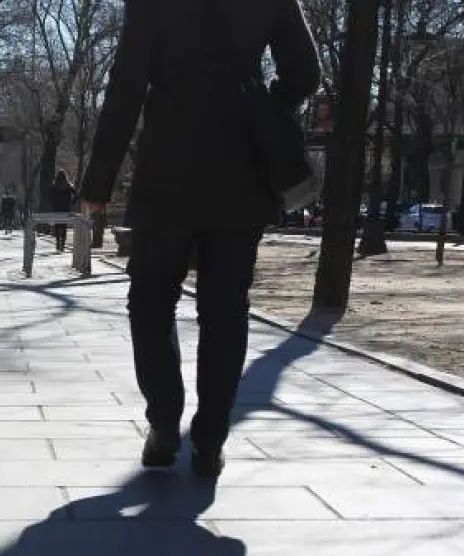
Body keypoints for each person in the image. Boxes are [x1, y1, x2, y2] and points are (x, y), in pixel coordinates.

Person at [79, 0, 320, 477]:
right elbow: (305, 73)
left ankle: (164, 420)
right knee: (225, 310)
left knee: (150, 301)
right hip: (242, 166)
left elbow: (127, 84)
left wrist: (99, 181)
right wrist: (263, 101)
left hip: (168, 164)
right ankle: (210, 439)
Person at [50, 170, 77, 251]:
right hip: (65, 208)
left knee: (57, 226)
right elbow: (76, 195)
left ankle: (58, 243)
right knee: (64, 226)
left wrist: (53, 203)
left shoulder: (54, 186)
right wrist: (72, 202)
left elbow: (50, 196)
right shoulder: (68, 186)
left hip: (56, 209)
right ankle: (63, 244)